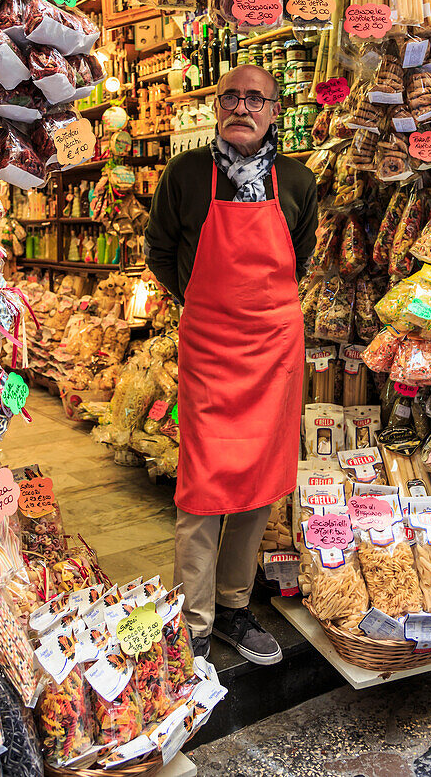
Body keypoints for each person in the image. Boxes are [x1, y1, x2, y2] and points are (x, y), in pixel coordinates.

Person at [144, 63, 317, 665]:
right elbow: (161, 250)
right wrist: (198, 300)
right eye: (231, 97)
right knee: (202, 484)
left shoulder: (296, 181)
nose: (241, 107)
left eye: (256, 98)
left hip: (273, 350)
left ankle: (235, 610)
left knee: (257, 487)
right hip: (210, 346)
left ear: (275, 110)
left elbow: (300, 256)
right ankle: (195, 619)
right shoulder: (186, 174)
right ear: (218, 106)